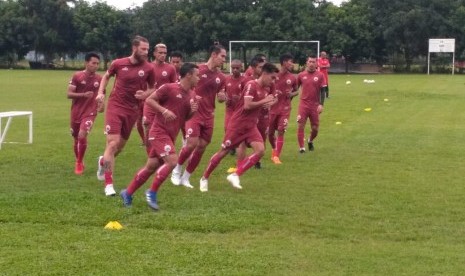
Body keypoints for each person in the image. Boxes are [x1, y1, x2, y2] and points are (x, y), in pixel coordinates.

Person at [120, 63, 200, 210]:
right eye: (197, 75)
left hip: (171, 134)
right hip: (158, 132)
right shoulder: (169, 88)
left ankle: (128, 192)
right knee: (172, 161)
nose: (198, 78)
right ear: (188, 75)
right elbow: (149, 100)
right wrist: (164, 111)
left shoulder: (192, 94)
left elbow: (185, 118)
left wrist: (193, 112)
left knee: (151, 167)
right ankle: (151, 192)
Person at [199, 63, 278, 192]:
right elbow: (247, 106)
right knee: (223, 152)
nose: (273, 81)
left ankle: (235, 175)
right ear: (264, 74)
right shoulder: (251, 85)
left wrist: (267, 103)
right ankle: (204, 178)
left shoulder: (265, 90)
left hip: (251, 126)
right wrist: (264, 101)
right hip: (238, 125)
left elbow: (263, 103)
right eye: (273, 78)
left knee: (260, 151)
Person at [95, 35, 156, 196]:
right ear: (134, 48)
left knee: (118, 148)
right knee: (112, 144)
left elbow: (152, 88)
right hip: (115, 107)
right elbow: (106, 77)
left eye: (147, 49)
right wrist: (101, 93)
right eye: (143, 49)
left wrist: (145, 94)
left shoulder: (149, 68)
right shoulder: (118, 63)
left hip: (132, 110)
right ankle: (109, 184)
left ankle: (103, 161)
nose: (146, 52)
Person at [170, 44, 227, 188]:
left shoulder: (221, 77)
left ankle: (186, 177)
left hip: (209, 115)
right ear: (214, 55)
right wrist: (193, 98)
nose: (224, 60)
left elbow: (220, 98)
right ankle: (176, 170)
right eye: (222, 56)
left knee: (202, 146)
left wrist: (222, 97)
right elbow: (182, 86)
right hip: (194, 113)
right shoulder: (197, 70)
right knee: (191, 144)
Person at [67, 52, 103, 175]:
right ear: (86, 63)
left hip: (90, 112)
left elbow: (101, 96)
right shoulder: (77, 76)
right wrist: (83, 95)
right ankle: (79, 160)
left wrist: (101, 105)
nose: (96, 66)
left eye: (98, 64)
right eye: (93, 63)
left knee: (82, 135)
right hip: (76, 112)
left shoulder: (100, 79)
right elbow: (69, 94)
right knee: (76, 138)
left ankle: (79, 162)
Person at [143, 43, 177, 149]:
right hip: (150, 103)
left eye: (165, 53)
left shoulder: (170, 68)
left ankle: (163, 153)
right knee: (148, 128)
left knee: (165, 130)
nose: (163, 55)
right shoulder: (147, 67)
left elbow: (174, 87)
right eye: (160, 53)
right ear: (154, 53)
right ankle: (150, 157)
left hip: (164, 105)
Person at [268, 53, 298, 164]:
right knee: (270, 133)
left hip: (285, 108)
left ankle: (276, 156)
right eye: (290, 61)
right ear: (284, 62)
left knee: (281, 131)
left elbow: (296, 90)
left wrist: (292, 94)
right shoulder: (274, 75)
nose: (292, 63)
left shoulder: (292, 77)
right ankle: (273, 149)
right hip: (272, 108)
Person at [296, 56, 326, 153]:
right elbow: (295, 88)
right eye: (310, 61)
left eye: (313, 62)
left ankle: (310, 140)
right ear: (307, 63)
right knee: (301, 125)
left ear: (316, 64)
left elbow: (323, 91)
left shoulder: (320, 75)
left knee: (315, 129)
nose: (312, 63)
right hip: (303, 104)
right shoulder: (301, 75)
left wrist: (321, 104)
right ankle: (301, 148)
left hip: (315, 105)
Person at [224, 59, 245, 155]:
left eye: (237, 68)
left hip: (240, 110)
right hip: (229, 109)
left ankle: (236, 145)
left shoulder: (245, 80)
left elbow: (250, 95)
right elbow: (222, 92)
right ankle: (231, 146)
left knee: (237, 129)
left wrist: (240, 98)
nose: (235, 70)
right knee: (227, 128)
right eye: (233, 68)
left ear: (241, 68)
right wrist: (225, 98)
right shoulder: (227, 79)